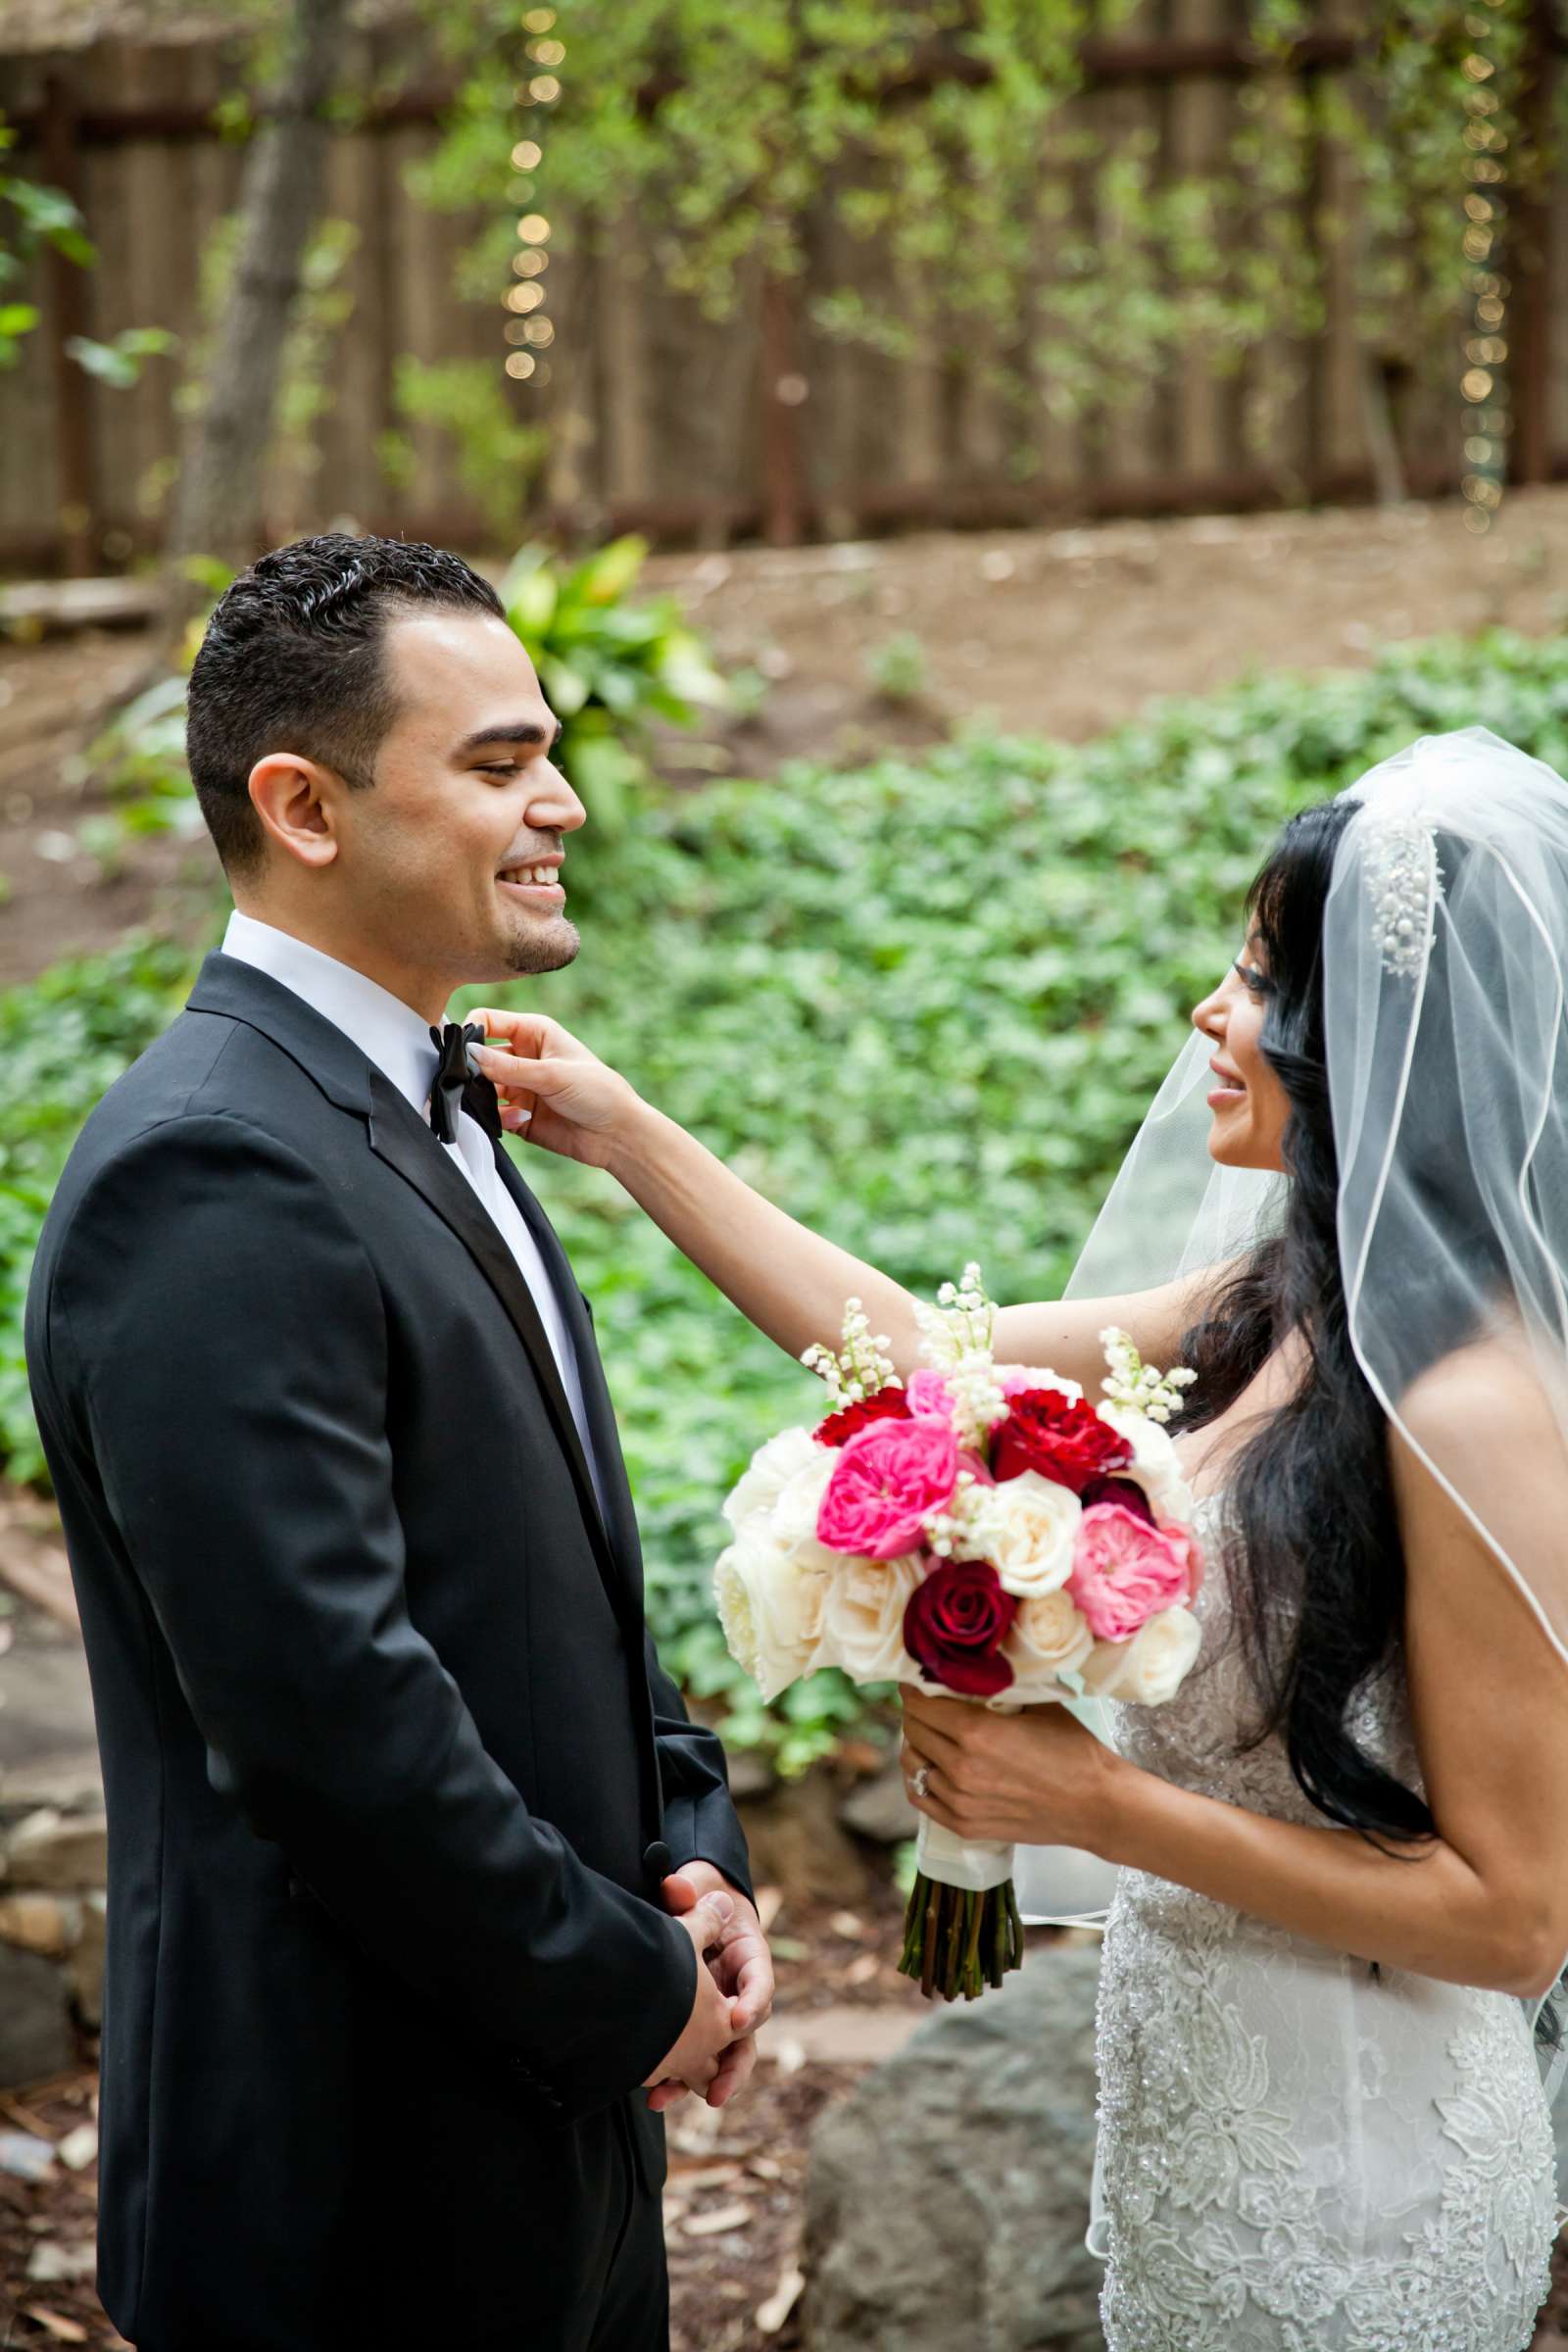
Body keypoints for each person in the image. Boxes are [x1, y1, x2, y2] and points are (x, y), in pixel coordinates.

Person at [468, 726, 1568, 2349]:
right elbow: (919, 1349)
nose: (1211, 1011)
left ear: (1377, 1036)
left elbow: (1517, 1915)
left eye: (1262, 980)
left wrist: (1097, 1804)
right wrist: (623, 1132)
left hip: (1362, 2167)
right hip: (1205, 2116)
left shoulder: (1475, 1402)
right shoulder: (1284, 1303)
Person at [24, 533, 770, 2352]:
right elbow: (329, 1721)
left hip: (552, 2137)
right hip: (358, 2188)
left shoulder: (440, 1093)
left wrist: (690, 1843)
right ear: (305, 806)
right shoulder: (210, 1170)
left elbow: (557, 1564)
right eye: (502, 763)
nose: (565, 804)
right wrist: (624, 1994)